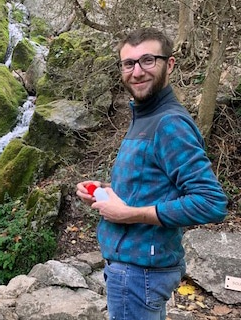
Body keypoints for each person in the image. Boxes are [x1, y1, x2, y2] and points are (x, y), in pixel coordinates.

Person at [76, 27, 228, 320]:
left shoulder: (169, 123)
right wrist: (103, 192)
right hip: (134, 271)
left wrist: (129, 214)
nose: (137, 72)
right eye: (129, 63)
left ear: (168, 64)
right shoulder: (145, 115)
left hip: (139, 273)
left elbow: (211, 202)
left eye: (148, 60)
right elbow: (150, 183)